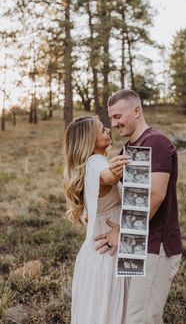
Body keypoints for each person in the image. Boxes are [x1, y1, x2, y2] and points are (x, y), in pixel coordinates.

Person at [94, 90, 182, 324]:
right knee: (133, 316)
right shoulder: (129, 149)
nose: (113, 123)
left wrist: (121, 229)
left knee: (141, 319)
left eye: (118, 116)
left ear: (136, 111)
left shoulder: (156, 142)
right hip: (134, 246)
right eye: (111, 118)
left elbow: (155, 195)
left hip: (155, 246)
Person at [63, 116, 130, 324]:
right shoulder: (96, 162)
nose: (108, 130)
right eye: (102, 130)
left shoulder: (89, 163)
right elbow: (107, 177)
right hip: (107, 253)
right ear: (90, 140)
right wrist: (116, 172)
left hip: (96, 250)